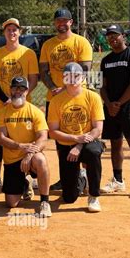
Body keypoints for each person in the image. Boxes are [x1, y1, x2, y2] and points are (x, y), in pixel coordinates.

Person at [39, 8, 93, 191]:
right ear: (55, 23)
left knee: (82, 134)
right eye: (58, 21)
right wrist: (54, 88)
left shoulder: (81, 42)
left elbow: (85, 69)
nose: (61, 23)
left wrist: (66, 87)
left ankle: (85, 175)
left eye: (65, 20)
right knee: (60, 140)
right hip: (54, 97)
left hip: (78, 96)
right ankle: (67, 177)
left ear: (71, 22)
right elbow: (43, 70)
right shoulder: (48, 45)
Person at [0, 18, 39, 190]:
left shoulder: (28, 53)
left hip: (23, 106)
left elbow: (33, 79)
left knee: (28, 138)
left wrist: (20, 97)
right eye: (8, 30)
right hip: (2, 106)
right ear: (4, 33)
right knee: (1, 142)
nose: (12, 32)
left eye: (15, 30)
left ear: (20, 32)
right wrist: (7, 99)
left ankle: (33, 174)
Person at [48, 62, 105, 213]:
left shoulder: (93, 97)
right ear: (63, 78)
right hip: (66, 145)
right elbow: (52, 132)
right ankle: (82, 178)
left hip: (88, 143)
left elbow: (97, 128)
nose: (73, 79)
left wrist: (79, 144)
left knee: (93, 153)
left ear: (83, 77)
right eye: (68, 76)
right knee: (69, 198)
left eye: (76, 76)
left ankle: (93, 195)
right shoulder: (55, 101)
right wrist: (74, 139)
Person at [99, 24, 130, 197]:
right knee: (115, 143)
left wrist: (118, 103)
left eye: (115, 35)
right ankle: (118, 181)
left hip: (128, 107)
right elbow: (102, 87)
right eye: (109, 36)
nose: (112, 38)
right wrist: (109, 104)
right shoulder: (106, 60)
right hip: (111, 107)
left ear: (123, 36)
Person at [0, 76, 51, 217]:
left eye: (22, 88)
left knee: (41, 160)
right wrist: (20, 146)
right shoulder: (2, 113)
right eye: (15, 88)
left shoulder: (35, 112)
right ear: (10, 90)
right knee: (11, 203)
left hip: (31, 157)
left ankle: (45, 201)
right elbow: (1, 139)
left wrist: (29, 154)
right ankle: (25, 183)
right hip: (12, 160)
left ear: (27, 91)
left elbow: (43, 138)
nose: (18, 91)